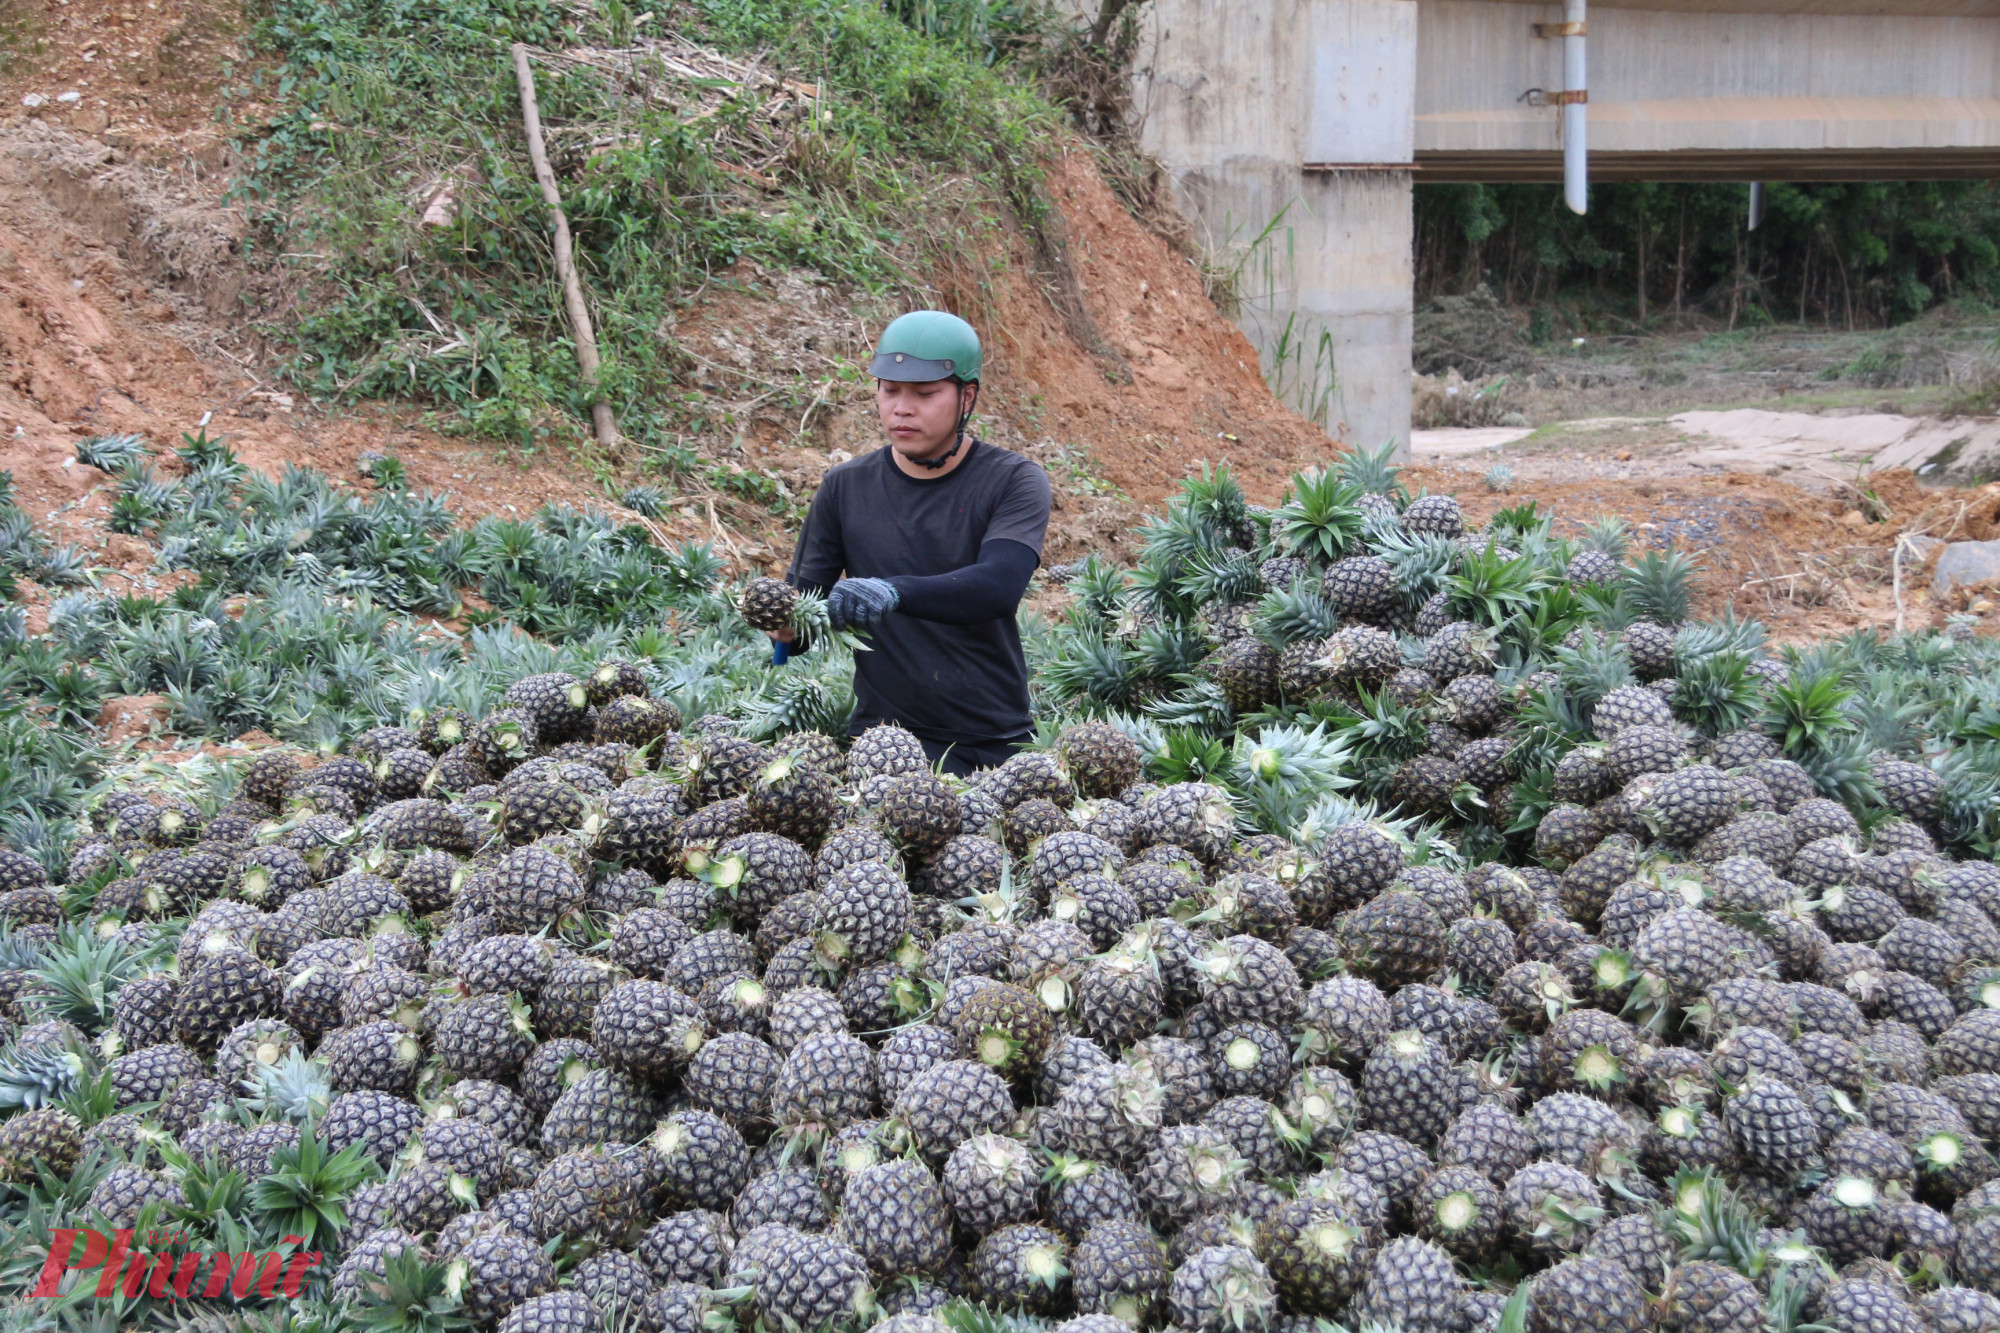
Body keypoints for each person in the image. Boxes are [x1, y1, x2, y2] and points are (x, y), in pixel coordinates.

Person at [772, 310, 1051, 775]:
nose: (902, 408)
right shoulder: (845, 487)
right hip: (882, 745)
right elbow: (800, 616)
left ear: (968, 397)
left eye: (924, 394)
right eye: (889, 390)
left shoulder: (1014, 481)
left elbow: (997, 586)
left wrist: (893, 591)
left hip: (991, 741)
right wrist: (782, 625)